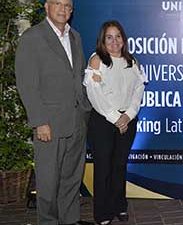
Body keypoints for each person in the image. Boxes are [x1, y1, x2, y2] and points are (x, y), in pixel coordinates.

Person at [15, 0, 93, 225]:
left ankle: (69, 220)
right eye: (57, 3)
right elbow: (27, 84)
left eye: (68, 5)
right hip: (49, 124)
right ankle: (48, 222)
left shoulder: (75, 37)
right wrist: (39, 121)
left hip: (77, 121)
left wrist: (85, 109)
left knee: (71, 178)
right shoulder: (32, 38)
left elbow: (77, 77)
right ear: (46, 6)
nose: (63, 9)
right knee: (48, 181)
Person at [83, 20, 145, 225]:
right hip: (103, 122)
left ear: (123, 39)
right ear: (103, 39)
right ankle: (102, 213)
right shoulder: (96, 60)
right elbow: (94, 94)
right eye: (109, 37)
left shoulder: (132, 61)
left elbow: (139, 90)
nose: (114, 41)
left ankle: (119, 205)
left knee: (119, 165)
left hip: (128, 121)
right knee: (103, 168)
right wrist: (116, 117)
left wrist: (129, 114)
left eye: (118, 36)